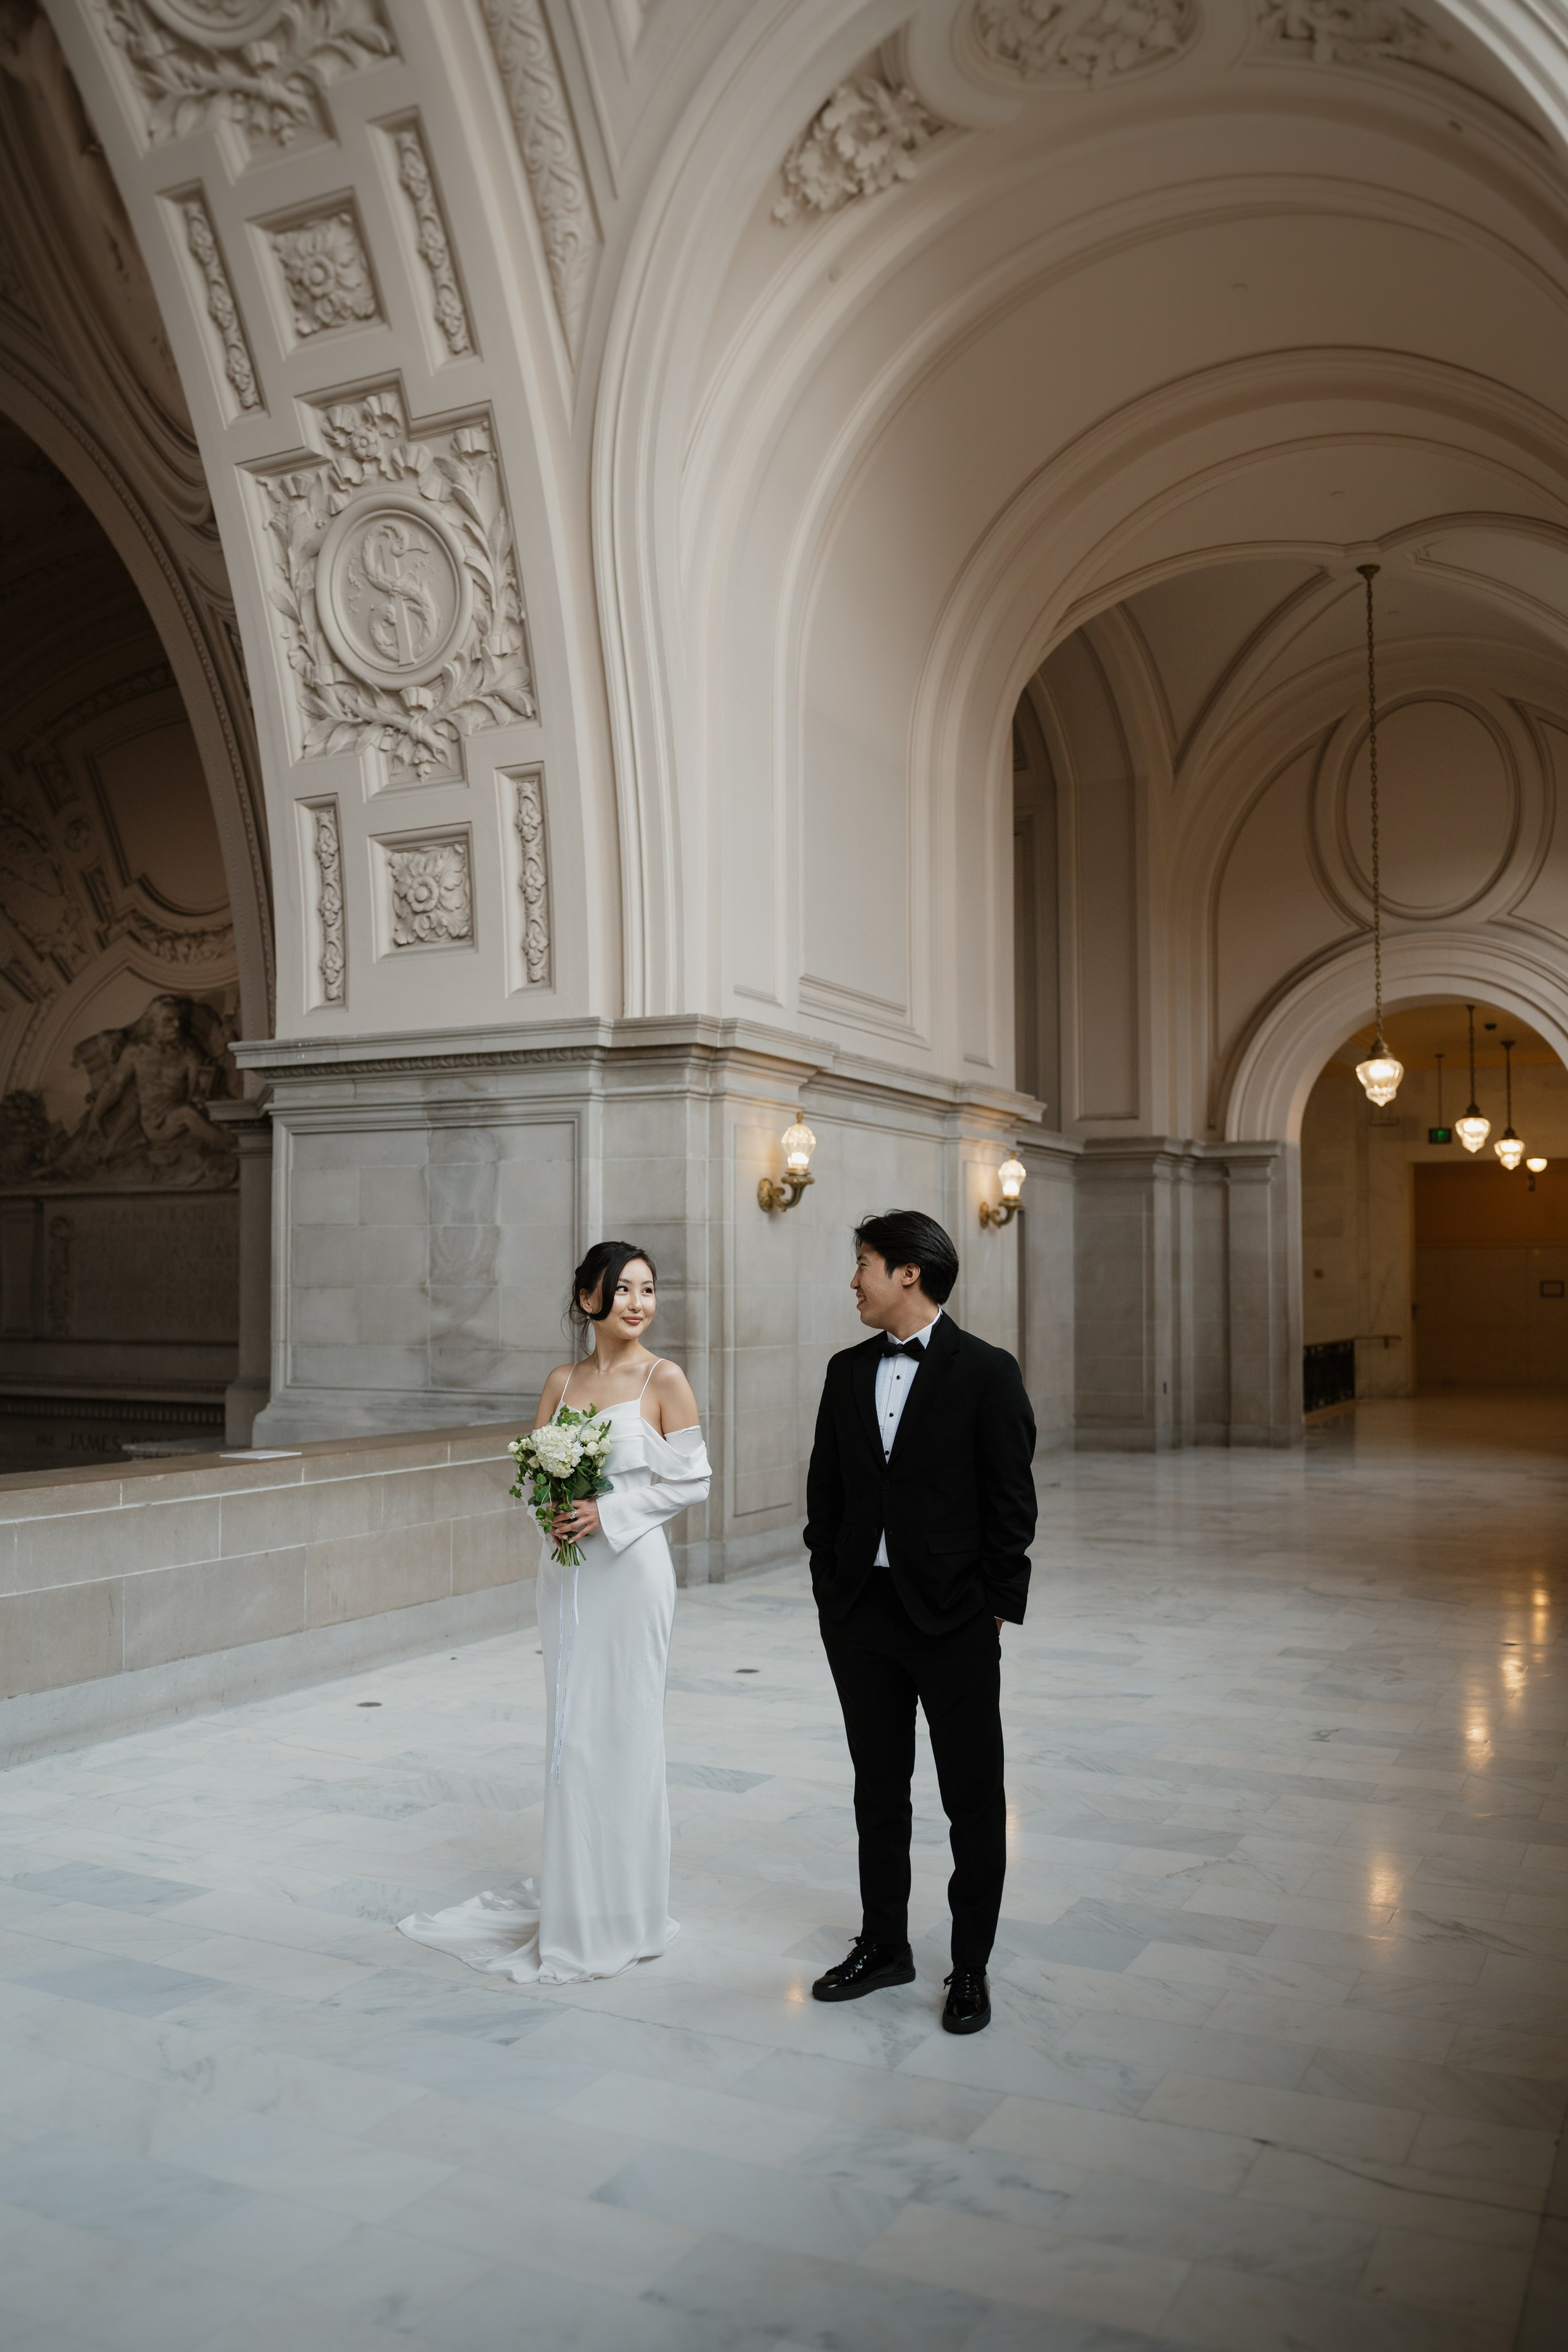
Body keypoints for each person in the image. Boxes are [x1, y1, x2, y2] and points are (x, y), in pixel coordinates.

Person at [399, 1242, 709, 1983]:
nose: (637, 1303)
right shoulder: (562, 1380)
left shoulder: (664, 1379)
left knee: (626, 1726)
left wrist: (610, 1510)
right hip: (568, 1576)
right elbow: (534, 1469)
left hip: (632, 1572)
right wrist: (554, 1514)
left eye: (647, 1290)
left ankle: (626, 1913)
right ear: (586, 1298)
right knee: (571, 1729)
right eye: (622, 1289)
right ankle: (576, 1904)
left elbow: (694, 1479)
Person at [804, 1209, 1036, 2034]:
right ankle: (885, 1945)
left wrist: (994, 1612)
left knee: (972, 1799)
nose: (855, 1279)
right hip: (862, 1617)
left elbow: (1013, 1506)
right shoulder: (844, 1369)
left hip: (955, 1624)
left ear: (909, 1272)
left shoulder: (988, 1372)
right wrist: (830, 1588)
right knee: (878, 1791)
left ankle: (968, 1964)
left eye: (863, 1262)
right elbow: (825, 1493)